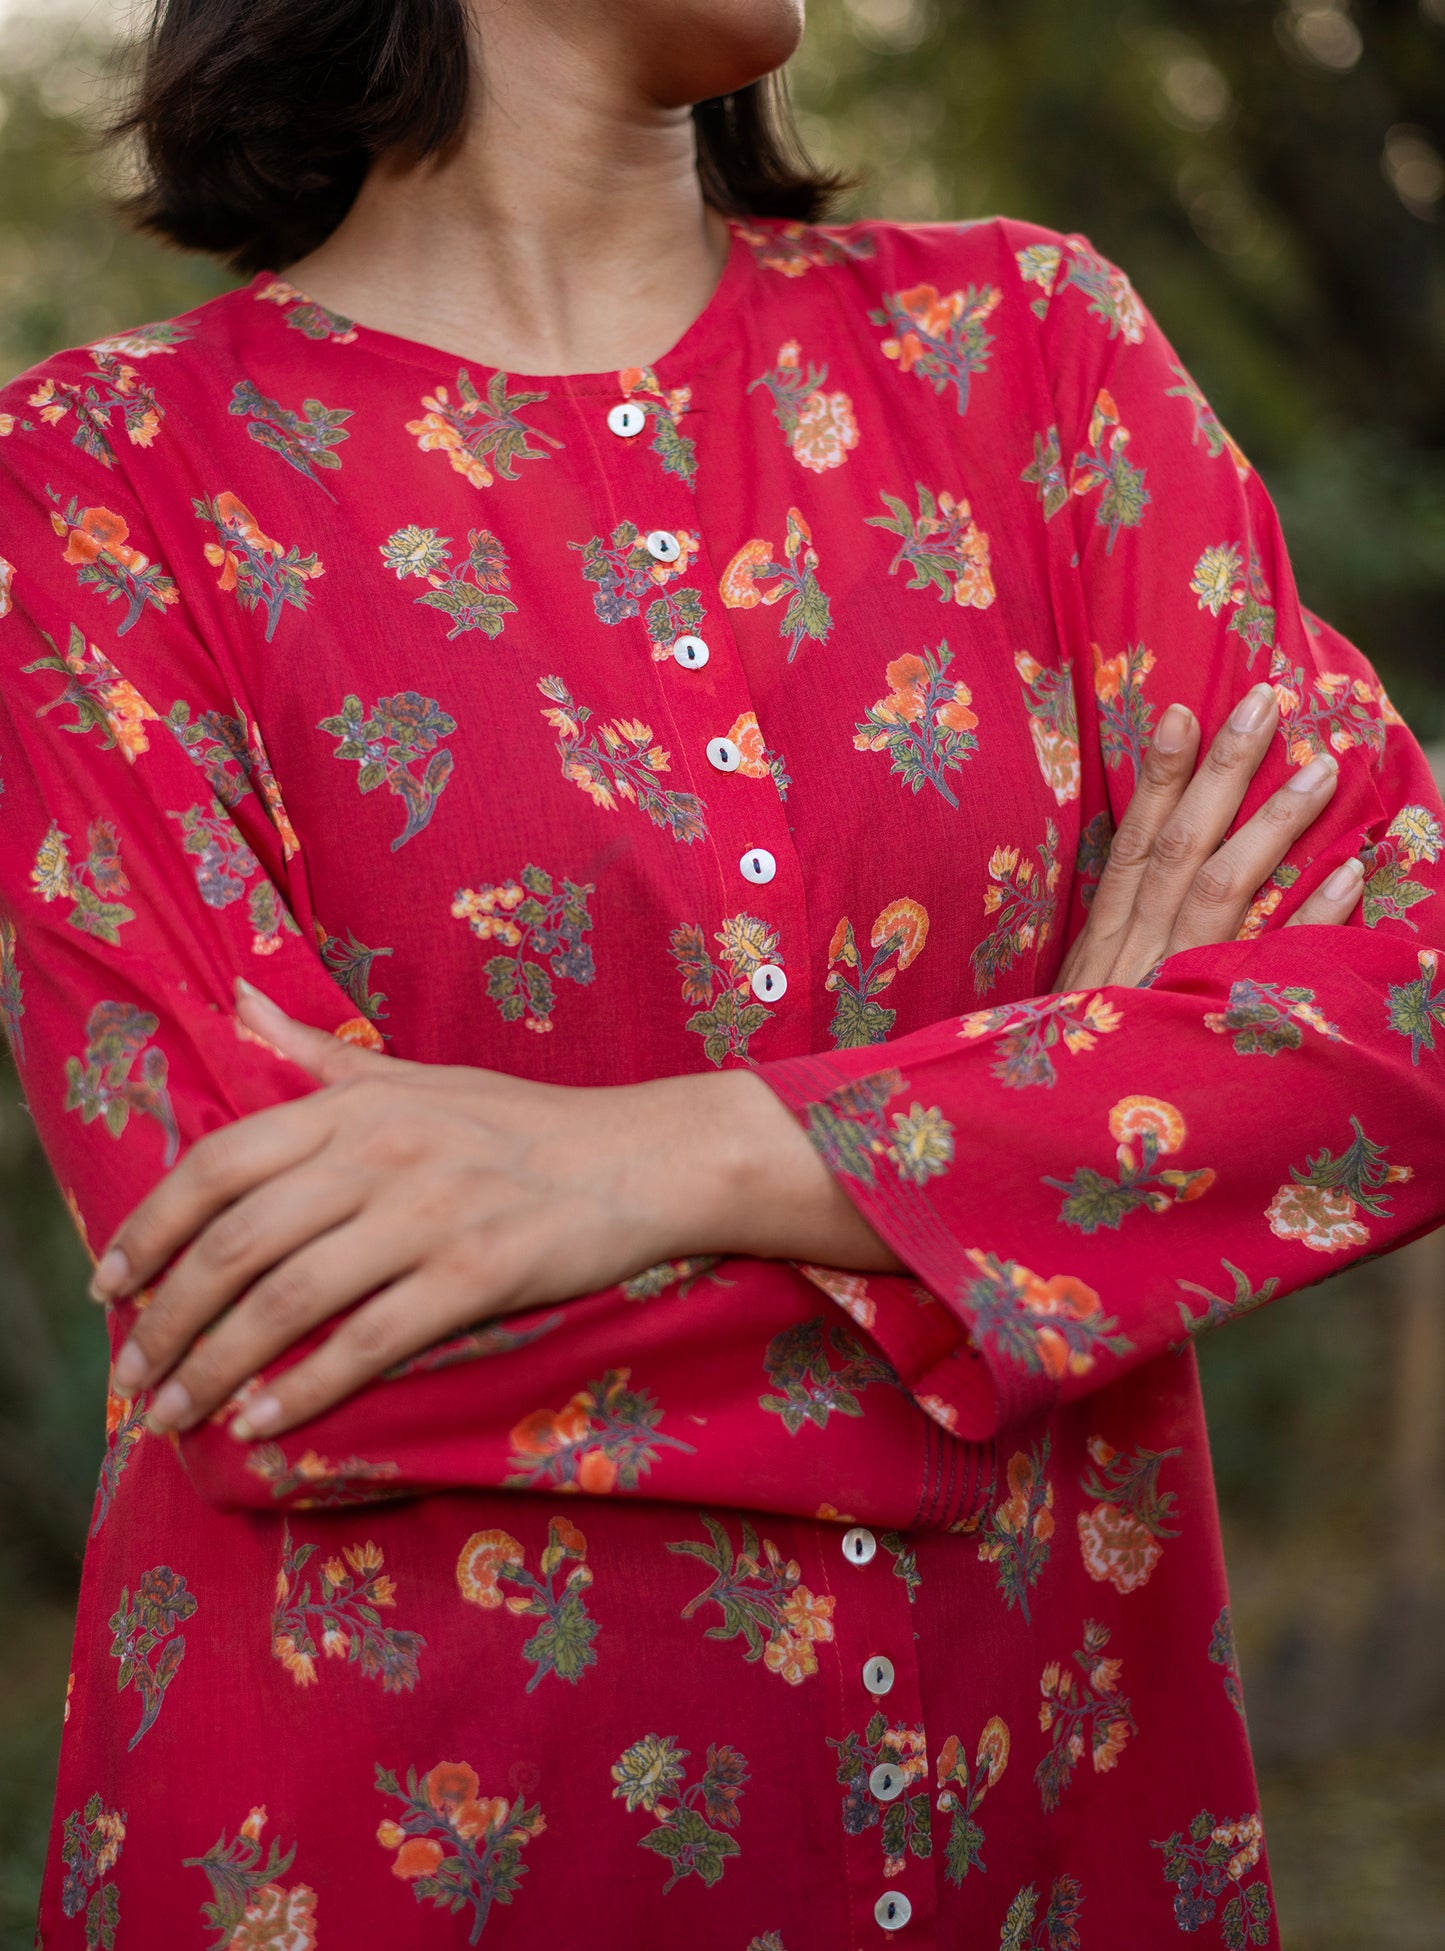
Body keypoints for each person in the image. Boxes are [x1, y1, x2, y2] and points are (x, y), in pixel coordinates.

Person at [1, 1, 1440, 1943]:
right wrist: (1049, 1149)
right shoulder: (98, 483)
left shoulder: (1031, 351)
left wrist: (661, 1161)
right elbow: (263, 1334)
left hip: (1048, 1823)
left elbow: (1409, 1002)